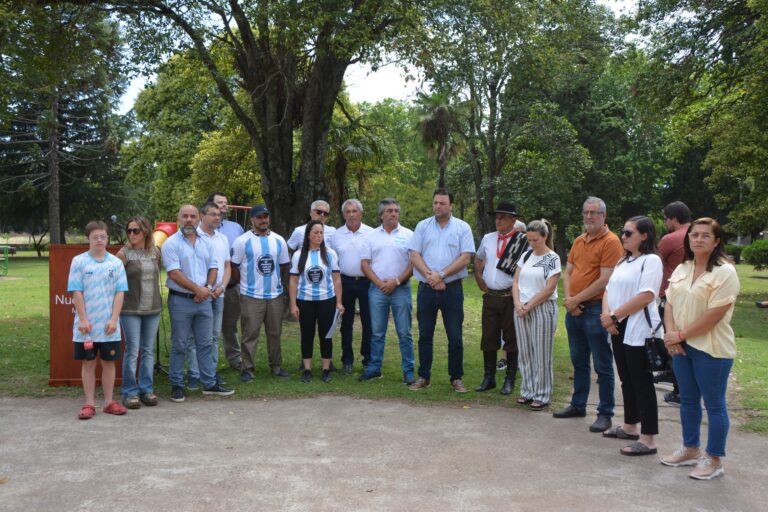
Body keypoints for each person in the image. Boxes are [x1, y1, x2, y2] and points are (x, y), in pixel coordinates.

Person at [661, 217, 740, 480]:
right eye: (694, 235)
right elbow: (670, 303)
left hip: (711, 349)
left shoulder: (725, 272)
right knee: (688, 400)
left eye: (706, 235)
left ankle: (714, 459)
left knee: (715, 405)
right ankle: (691, 449)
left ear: (716, 241)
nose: (698, 239)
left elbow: (714, 314)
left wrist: (679, 335)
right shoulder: (683, 268)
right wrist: (671, 336)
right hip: (682, 346)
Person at [554, 197, 623, 433]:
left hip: (594, 309)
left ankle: (605, 413)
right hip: (575, 310)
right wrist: (570, 301)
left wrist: (577, 299)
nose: (589, 217)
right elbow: (568, 272)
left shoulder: (611, 242)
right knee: (579, 362)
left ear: (604, 215)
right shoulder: (579, 240)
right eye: (586, 212)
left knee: (602, 364)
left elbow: (605, 280)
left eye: (594, 212)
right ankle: (578, 405)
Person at [599, 216, 663, 455]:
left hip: (636, 327)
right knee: (626, 378)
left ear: (644, 235)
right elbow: (608, 290)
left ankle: (649, 438)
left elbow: (647, 295)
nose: (623, 237)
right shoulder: (623, 262)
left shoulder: (651, 261)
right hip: (616, 324)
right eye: (623, 232)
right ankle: (630, 426)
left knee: (642, 381)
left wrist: (614, 316)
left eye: (628, 233)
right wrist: (608, 316)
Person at [161, 204, 234, 403]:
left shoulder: (206, 243)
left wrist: (207, 288)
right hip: (181, 300)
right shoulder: (171, 244)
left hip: (203, 300)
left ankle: (209, 383)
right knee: (180, 344)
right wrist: (198, 290)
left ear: (198, 218)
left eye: (193, 216)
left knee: (206, 343)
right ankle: (177, 384)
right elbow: (174, 273)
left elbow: (214, 267)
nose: (189, 220)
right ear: (178, 218)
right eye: (185, 216)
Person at [407, 188, 475, 393]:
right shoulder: (422, 226)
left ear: (451, 205)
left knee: (454, 335)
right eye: (435, 202)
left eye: (442, 203)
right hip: (427, 289)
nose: (437, 206)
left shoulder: (462, 228)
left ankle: (456, 378)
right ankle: (423, 376)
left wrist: (442, 275)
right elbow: (414, 254)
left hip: (452, 290)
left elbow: (465, 257)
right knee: (425, 335)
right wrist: (431, 276)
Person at [68, 220, 129, 419]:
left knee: (109, 363)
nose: (100, 240)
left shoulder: (116, 263)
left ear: (107, 237)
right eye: (95, 237)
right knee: (88, 363)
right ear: (88, 239)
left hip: (109, 326)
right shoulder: (79, 262)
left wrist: (114, 319)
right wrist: (83, 319)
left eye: (103, 236)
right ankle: (89, 404)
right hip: (86, 328)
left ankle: (109, 402)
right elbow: (76, 292)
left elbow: (120, 293)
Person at [473, 203, 529, 394]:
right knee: (488, 337)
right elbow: (479, 258)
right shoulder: (488, 238)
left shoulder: (523, 241)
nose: (498, 220)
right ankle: (489, 378)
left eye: (503, 217)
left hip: (510, 297)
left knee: (511, 339)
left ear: (513, 220)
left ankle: (509, 379)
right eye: (497, 217)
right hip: (490, 297)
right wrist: (479, 276)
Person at [231, 204, 291, 382]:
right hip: (251, 296)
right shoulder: (242, 241)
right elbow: (234, 267)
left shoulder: (279, 240)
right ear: (252, 219)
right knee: (250, 333)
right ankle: (248, 369)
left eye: (266, 217)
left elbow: (283, 266)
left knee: (275, 332)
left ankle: (276, 366)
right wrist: (245, 283)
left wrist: (277, 284)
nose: (263, 220)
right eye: (259, 217)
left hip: (274, 295)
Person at [359, 199, 415, 383]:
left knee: (404, 332)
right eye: (389, 211)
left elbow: (413, 264)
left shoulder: (409, 235)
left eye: (396, 211)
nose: (394, 214)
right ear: (381, 215)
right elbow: (365, 264)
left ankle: (408, 371)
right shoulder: (371, 236)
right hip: (377, 290)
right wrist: (380, 284)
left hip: (401, 289)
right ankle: (374, 368)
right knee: (377, 332)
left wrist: (396, 281)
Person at [512, 219, 561, 410]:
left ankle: (542, 394)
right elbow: (516, 281)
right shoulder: (525, 256)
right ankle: (527, 390)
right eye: (529, 240)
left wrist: (529, 305)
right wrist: (518, 303)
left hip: (542, 308)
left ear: (545, 237)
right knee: (524, 352)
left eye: (535, 240)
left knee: (541, 353)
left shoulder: (552, 259)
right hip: (521, 308)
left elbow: (549, 289)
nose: (531, 244)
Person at [289, 220, 344, 383]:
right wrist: (293, 304)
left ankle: (326, 369)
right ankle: (307, 369)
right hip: (305, 301)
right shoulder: (299, 255)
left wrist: (339, 302)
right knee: (307, 334)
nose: (319, 235)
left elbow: (337, 280)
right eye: (316, 232)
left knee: (326, 335)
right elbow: (293, 281)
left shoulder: (330, 254)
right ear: (308, 235)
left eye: (321, 233)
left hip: (326, 300)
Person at [116, 216, 162, 409]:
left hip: (153, 308)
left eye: (136, 230)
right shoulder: (123, 254)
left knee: (149, 350)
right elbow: (116, 283)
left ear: (146, 231)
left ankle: (146, 389)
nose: (132, 234)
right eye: (129, 231)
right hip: (130, 308)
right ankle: (129, 392)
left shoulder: (155, 252)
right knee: (133, 350)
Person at [185, 202, 231, 388]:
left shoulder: (222, 238)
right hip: (198, 294)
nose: (217, 217)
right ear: (202, 216)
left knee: (213, 336)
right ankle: (194, 375)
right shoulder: (193, 236)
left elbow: (227, 266)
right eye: (213, 214)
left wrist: (222, 287)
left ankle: (210, 374)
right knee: (193, 337)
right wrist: (202, 289)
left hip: (217, 294)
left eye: (219, 214)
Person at [329, 199, 373, 373]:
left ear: (361, 213)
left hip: (366, 282)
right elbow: (332, 262)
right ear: (343, 214)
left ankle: (367, 359)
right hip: (344, 281)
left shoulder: (371, 233)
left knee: (368, 322)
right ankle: (347, 360)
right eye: (348, 211)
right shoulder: (336, 235)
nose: (352, 214)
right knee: (346, 322)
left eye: (355, 211)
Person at [656, 201, 692, 405]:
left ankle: (679, 389)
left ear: (674, 219)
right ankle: (677, 379)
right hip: (693, 298)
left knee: (672, 341)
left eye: (666, 219)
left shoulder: (671, 239)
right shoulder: (696, 235)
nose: (665, 222)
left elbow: (655, 263)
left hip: (671, 296)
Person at [209, 192, 246, 373]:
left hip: (231, 286)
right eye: (219, 203)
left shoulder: (236, 228)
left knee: (230, 326)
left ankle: (235, 359)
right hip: (206, 289)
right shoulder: (204, 229)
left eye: (225, 203)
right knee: (208, 328)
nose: (224, 206)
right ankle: (208, 363)